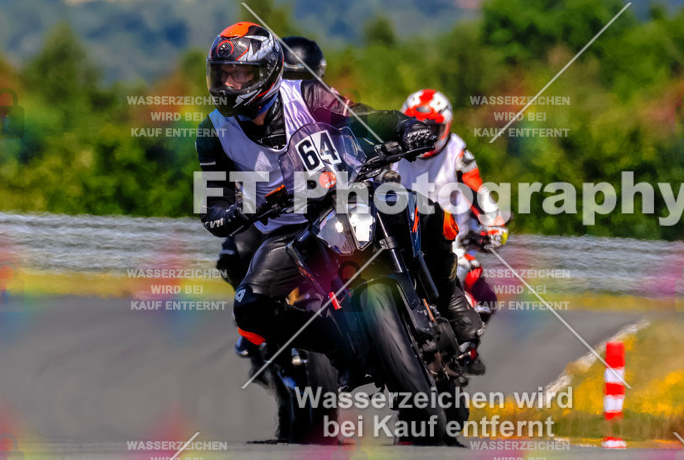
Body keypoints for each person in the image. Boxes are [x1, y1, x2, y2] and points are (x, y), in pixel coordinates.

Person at [195, 23, 482, 377]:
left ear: (268, 70)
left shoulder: (307, 94)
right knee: (250, 308)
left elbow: (363, 117)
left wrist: (405, 127)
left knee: (428, 209)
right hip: (292, 232)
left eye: (240, 74)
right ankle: (337, 347)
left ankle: (449, 298)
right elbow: (213, 202)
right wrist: (231, 213)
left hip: (355, 194)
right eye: (222, 74)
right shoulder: (212, 132)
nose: (228, 84)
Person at [212, 35, 326, 357]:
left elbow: (361, 135)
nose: (295, 85)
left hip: (326, 200)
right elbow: (221, 187)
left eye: (304, 78)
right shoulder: (234, 124)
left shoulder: (320, 102)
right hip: (267, 209)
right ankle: (253, 327)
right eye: (290, 76)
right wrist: (238, 206)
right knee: (234, 253)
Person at [395, 90, 509, 329]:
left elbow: (477, 188)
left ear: (445, 126)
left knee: (484, 298)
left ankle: (469, 350)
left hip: (453, 243)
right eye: (417, 127)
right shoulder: (393, 151)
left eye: (432, 129)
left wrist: (494, 223)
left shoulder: (456, 150)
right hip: (403, 246)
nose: (424, 136)